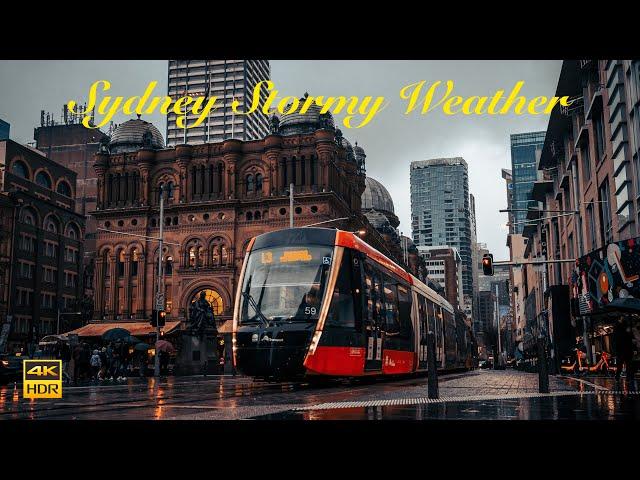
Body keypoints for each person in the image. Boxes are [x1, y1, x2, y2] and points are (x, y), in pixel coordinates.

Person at [613, 316, 636, 386]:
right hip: (624, 349)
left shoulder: (621, 328)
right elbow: (632, 339)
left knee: (625, 365)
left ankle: (623, 378)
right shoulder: (621, 328)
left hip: (624, 349)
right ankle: (622, 377)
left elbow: (632, 339)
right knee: (624, 365)